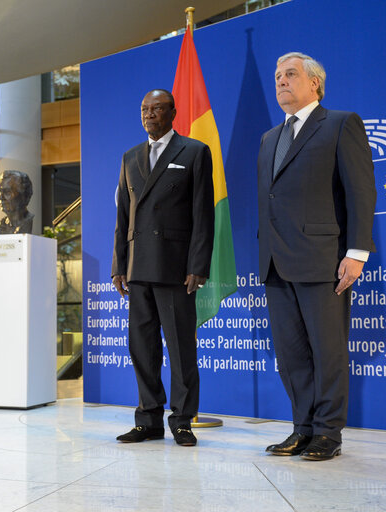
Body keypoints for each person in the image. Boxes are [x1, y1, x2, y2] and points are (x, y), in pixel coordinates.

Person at [257, 53, 376, 460]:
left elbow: (360, 191)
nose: (282, 82)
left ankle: (328, 432)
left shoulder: (341, 124)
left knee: (327, 350)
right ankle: (302, 428)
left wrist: (357, 251)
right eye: (277, 77)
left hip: (323, 258)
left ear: (315, 84)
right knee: (290, 353)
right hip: (276, 262)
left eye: (290, 74)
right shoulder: (269, 138)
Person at [112, 89, 214, 446]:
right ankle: (148, 420)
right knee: (142, 348)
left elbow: (203, 213)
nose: (149, 114)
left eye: (157, 109)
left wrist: (198, 263)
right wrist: (118, 266)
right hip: (138, 268)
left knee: (181, 348)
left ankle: (182, 420)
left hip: (175, 267)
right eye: (144, 109)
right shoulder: (129, 156)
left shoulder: (194, 151)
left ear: (173, 112)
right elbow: (123, 216)